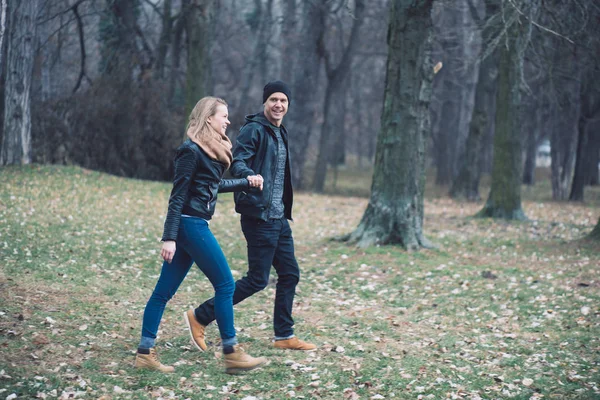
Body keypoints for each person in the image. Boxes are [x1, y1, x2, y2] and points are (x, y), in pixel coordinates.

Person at [134, 97, 268, 375]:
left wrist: (246, 182)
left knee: (163, 292)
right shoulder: (190, 151)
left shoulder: (210, 151)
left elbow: (212, 186)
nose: (228, 121)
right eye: (224, 116)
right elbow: (177, 196)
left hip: (192, 224)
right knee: (226, 285)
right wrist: (169, 237)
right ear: (209, 118)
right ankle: (232, 351)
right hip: (189, 225)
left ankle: (145, 352)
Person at [184, 81, 316, 352]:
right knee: (257, 279)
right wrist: (248, 176)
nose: (278, 105)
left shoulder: (281, 132)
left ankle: (284, 335)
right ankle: (200, 316)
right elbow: (238, 161)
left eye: (283, 100)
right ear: (265, 103)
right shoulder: (254, 129)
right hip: (259, 215)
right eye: (273, 100)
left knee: (290, 274)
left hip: (278, 218)